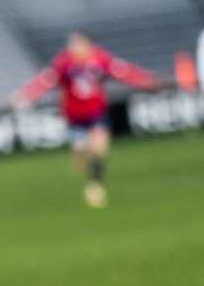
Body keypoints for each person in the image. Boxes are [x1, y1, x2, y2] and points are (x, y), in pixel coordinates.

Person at [11, 32, 161, 208]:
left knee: (99, 147)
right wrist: (25, 95)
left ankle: (95, 186)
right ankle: (79, 153)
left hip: (96, 112)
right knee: (81, 151)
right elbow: (45, 81)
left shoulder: (101, 59)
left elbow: (125, 72)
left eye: (78, 45)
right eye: (72, 45)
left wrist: (146, 80)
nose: (74, 49)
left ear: (88, 45)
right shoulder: (64, 63)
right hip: (74, 115)